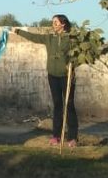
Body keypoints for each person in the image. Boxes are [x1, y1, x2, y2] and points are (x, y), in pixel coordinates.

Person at [13, 14, 78, 147]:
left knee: (69, 106)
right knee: (57, 105)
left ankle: (72, 137)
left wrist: (73, 66)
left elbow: (79, 55)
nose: (53, 24)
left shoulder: (71, 39)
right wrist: (18, 31)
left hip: (67, 76)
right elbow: (34, 37)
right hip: (52, 76)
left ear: (63, 24)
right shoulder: (49, 38)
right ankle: (56, 136)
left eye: (55, 22)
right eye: (53, 22)